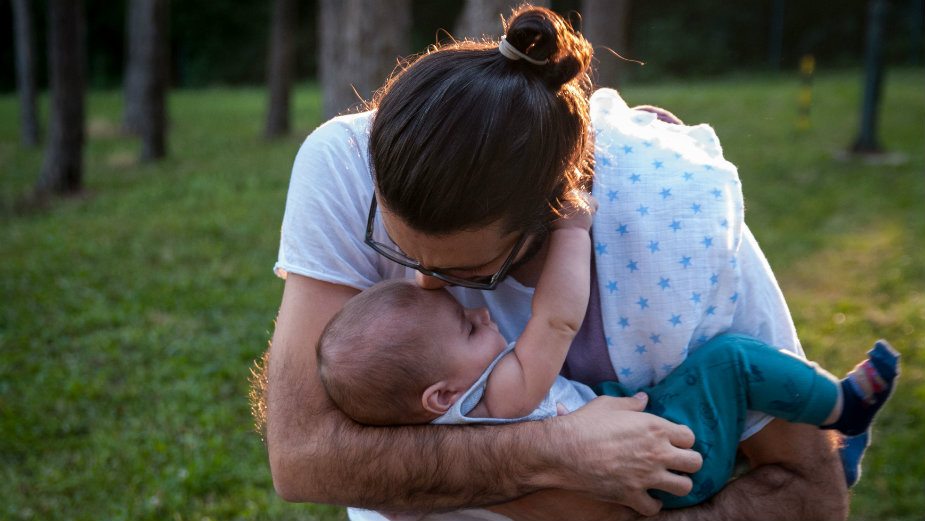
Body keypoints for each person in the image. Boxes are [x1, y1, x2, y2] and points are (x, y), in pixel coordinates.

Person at [266, 4, 854, 520]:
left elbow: (810, 488)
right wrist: (561, 453)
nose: (425, 282)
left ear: (560, 208)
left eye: (471, 274)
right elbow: (302, 459)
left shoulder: (674, 220)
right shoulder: (345, 165)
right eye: (398, 249)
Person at [315, 205, 899, 513]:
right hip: (671, 458)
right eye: (470, 327)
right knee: (733, 361)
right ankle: (842, 408)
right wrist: (573, 227)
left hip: (646, 450)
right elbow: (558, 319)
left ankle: (839, 452)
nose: (485, 314)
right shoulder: (499, 395)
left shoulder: (440, 409)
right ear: (441, 395)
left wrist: (430, 270)